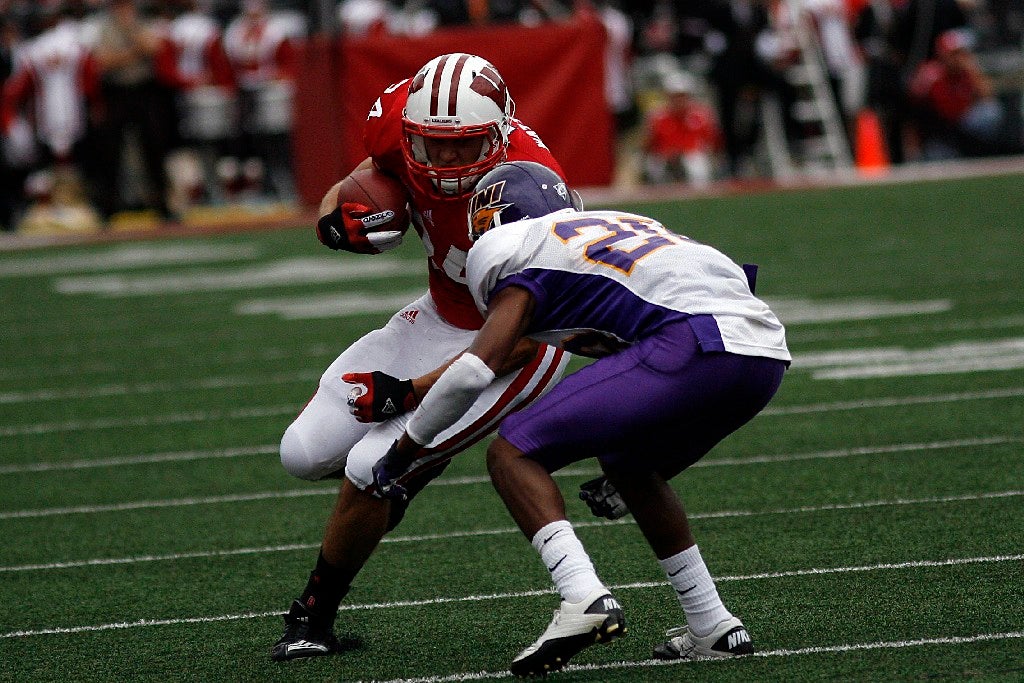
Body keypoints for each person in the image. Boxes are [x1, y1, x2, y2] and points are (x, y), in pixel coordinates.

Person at [364, 160, 791, 675]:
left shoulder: (515, 246)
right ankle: (713, 625)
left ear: (492, 217)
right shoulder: (626, 223)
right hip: (763, 352)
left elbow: (476, 369)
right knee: (629, 463)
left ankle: (582, 597)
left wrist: (405, 451)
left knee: (513, 450)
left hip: (692, 342)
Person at [270, 53, 571, 661]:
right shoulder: (398, 118)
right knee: (301, 453)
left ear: (500, 132)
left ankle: (312, 615)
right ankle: (403, 478)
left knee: (370, 468)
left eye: (462, 149)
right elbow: (361, 176)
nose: (445, 163)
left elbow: (529, 333)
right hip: (440, 315)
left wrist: (408, 395)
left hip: (518, 344)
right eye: (431, 147)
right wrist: (337, 219)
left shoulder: (536, 186)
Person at [641, 70, 722, 187]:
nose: (679, 100)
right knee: (655, 166)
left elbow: (713, 143)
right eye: (675, 96)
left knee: (696, 165)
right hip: (665, 158)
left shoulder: (701, 115)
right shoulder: (657, 117)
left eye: (682, 96)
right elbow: (648, 145)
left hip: (692, 156)